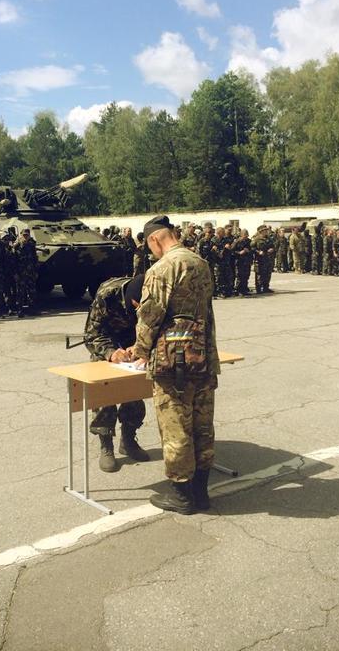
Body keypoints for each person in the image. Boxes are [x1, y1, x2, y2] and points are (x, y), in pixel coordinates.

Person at [130, 215, 220, 515]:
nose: (151, 252)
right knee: (202, 425)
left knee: (176, 427)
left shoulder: (162, 269)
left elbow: (149, 316)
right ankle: (201, 493)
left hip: (173, 363)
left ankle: (182, 496)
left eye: (149, 246)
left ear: (155, 239)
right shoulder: (200, 262)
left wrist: (140, 350)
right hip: (203, 356)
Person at [83, 274, 149, 472]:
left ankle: (128, 440)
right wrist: (111, 353)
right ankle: (106, 446)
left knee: (135, 394)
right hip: (108, 346)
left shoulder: (153, 294)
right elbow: (92, 335)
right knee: (104, 397)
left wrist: (140, 347)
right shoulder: (107, 295)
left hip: (133, 348)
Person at [13, 228, 38, 316]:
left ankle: (32, 309)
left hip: (30, 272)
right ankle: (20, 310)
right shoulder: (17, 246)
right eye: (24, 235)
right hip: (20, 273)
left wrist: (35, 271)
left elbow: (35, 258)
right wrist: (15, 273)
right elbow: (14, 260)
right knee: (20, 292)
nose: (25, 237)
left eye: (27, 235)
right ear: (21, 235)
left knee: (31, 291)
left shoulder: (31, 244)